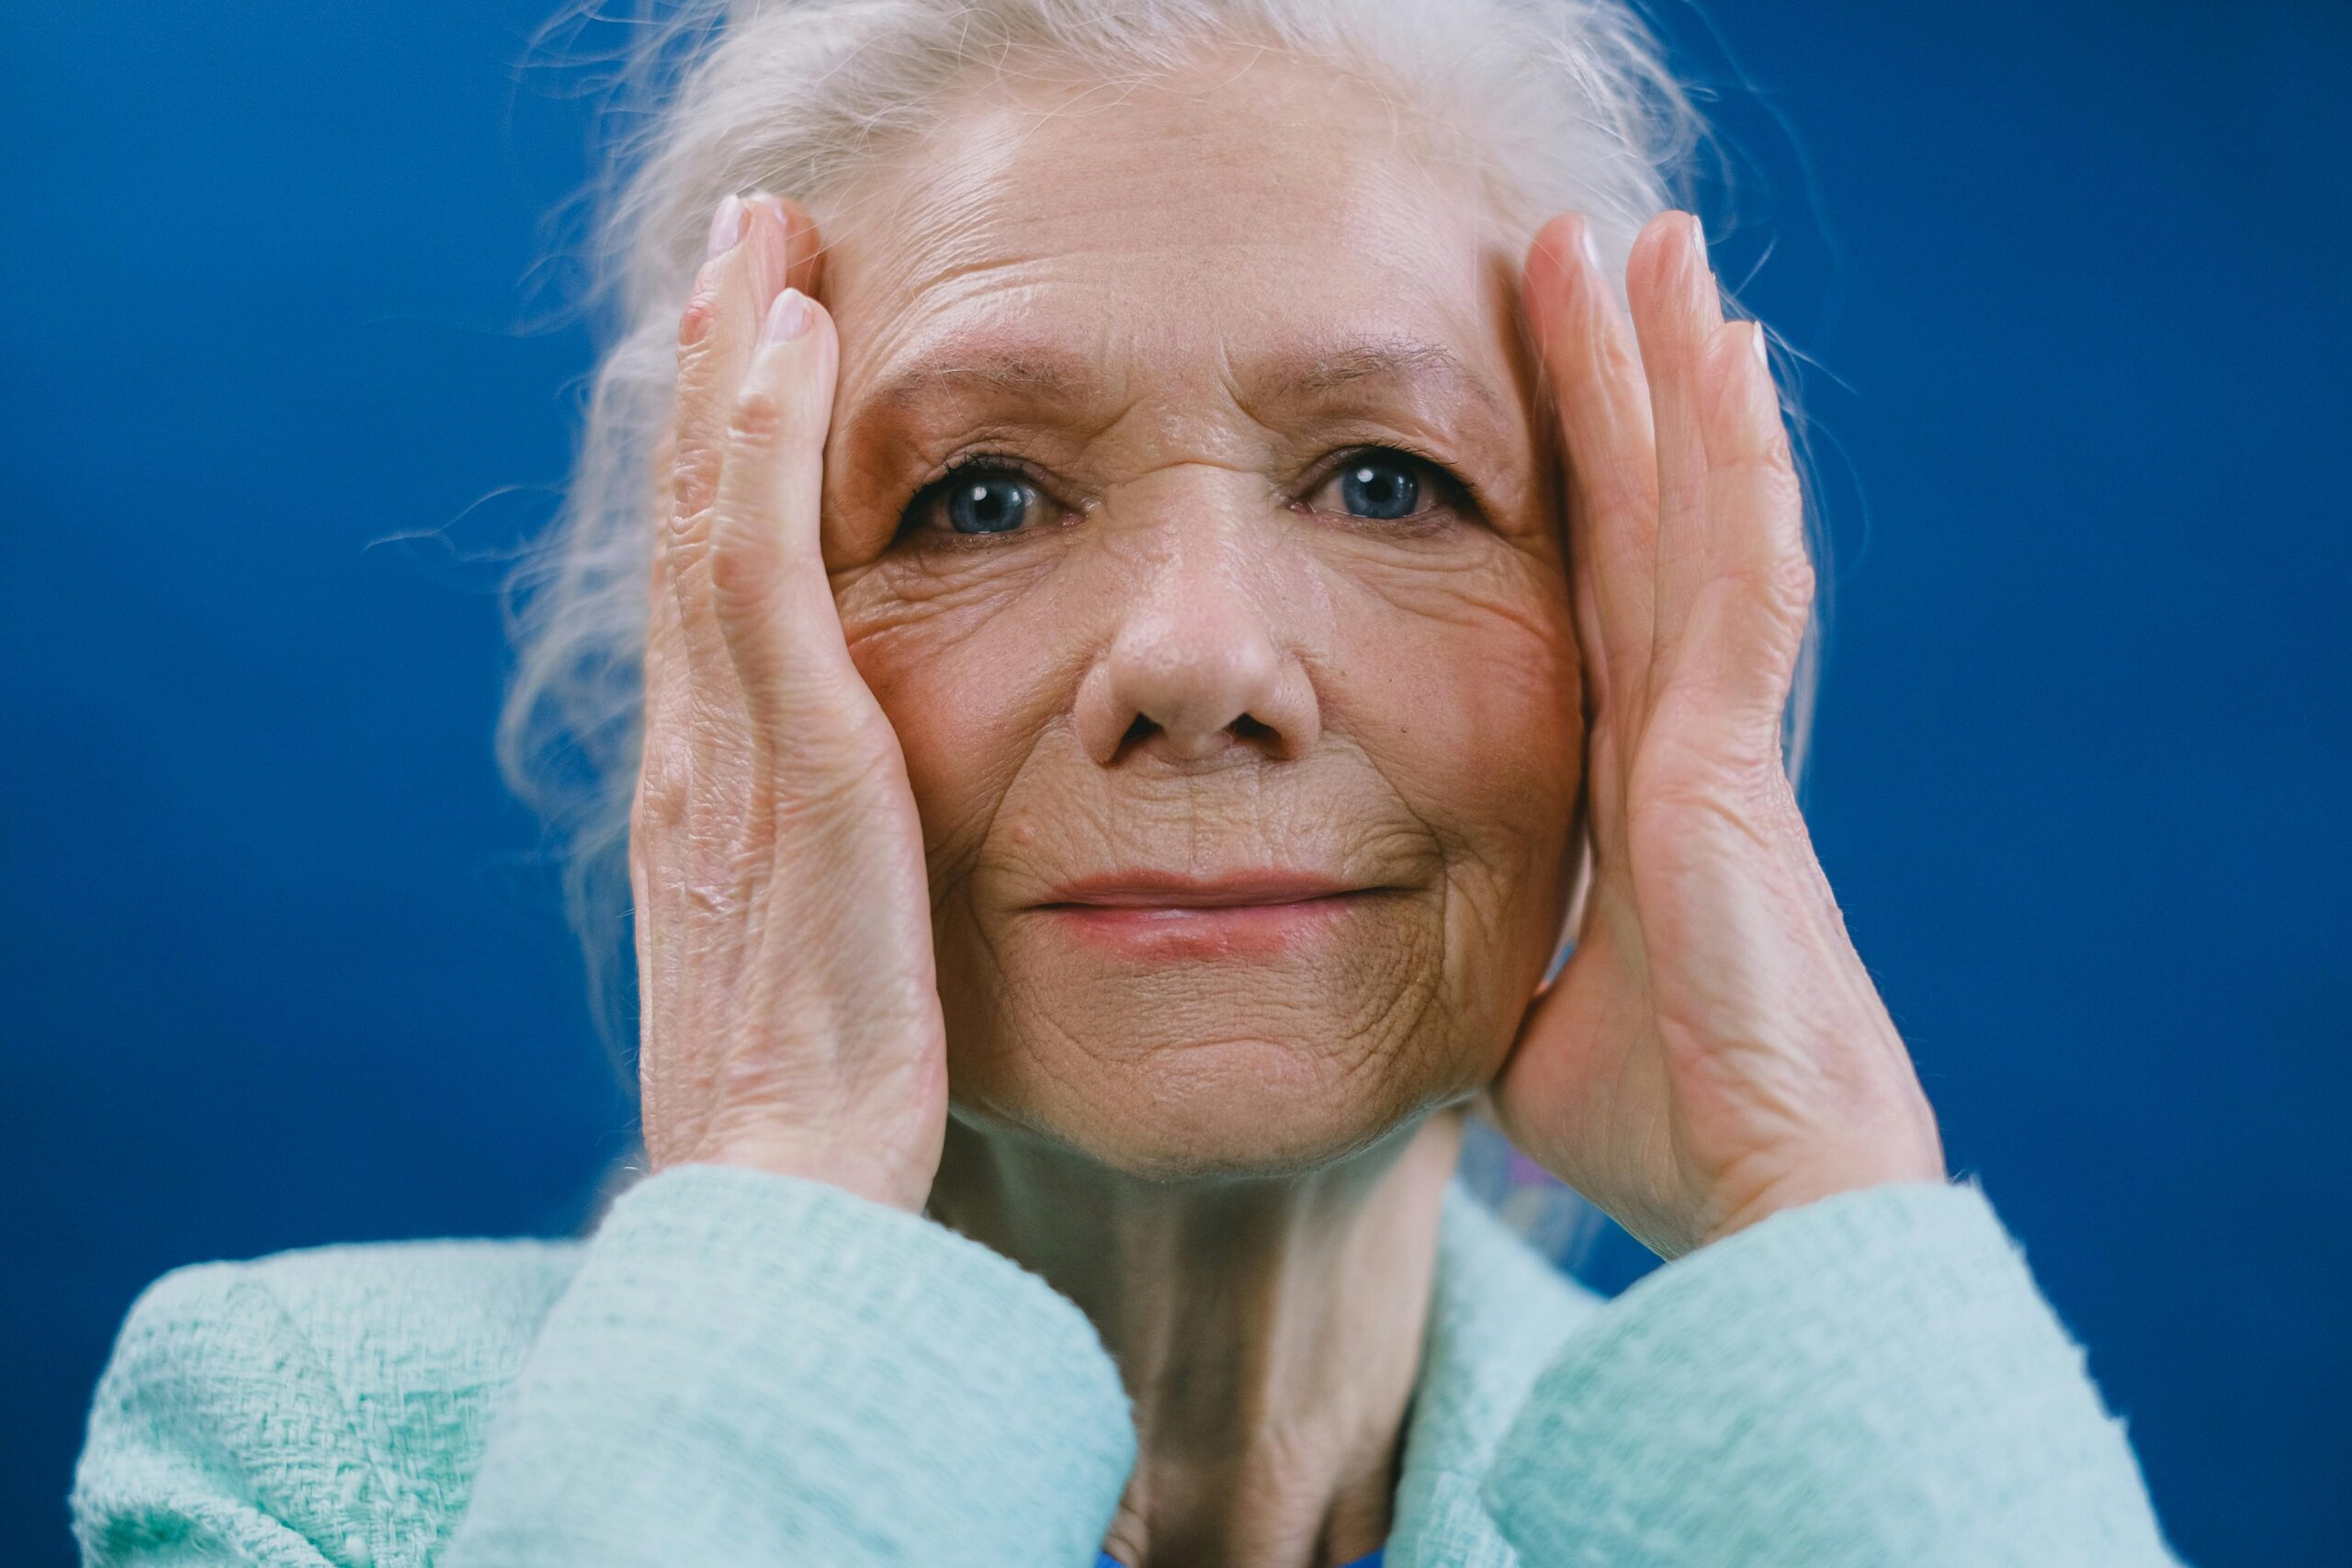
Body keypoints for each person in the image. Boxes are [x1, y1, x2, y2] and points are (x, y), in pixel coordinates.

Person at [70, 2, 2187, 1563]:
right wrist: (791, 1169)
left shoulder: (1848, 1486)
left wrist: (1807, 1194)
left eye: (1388, 478)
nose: (1194, 659)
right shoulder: (295, 1454)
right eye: (980, 495)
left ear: (1625, 639)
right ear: (727, 665)